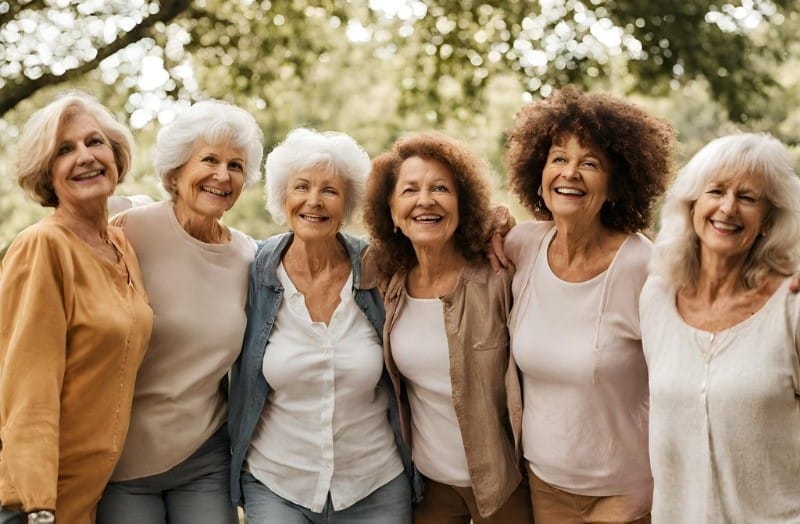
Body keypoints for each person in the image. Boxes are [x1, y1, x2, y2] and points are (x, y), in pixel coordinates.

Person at [502, 86, 674, 523]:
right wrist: (489, 217)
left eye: (590, 163)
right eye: (558, 158)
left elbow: (682, 381)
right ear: (538, 171)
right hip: (544, 486)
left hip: (626, 493)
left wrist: (647, 492)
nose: (570, 173)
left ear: (617, 184)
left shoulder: (643, 265)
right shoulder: (520, 246)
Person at [229, 128, 416, 523]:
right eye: (301, 187)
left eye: (330, 191)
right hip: (278, 483)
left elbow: (441, 242)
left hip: (374, 483)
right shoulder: (254, 269)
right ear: (283, 196)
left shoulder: (379, 267)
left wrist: (496, 225)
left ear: (347, 203)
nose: (314, 201)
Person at [97, 100, 264, 523]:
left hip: (204, 454)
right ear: (176, 170)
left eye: (236, 165)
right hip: (121, 456)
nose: (222, 175)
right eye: (209, 159)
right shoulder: (127, 228)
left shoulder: (251, 257)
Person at [362, 131, 532, 523]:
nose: (425, 200)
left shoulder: (497, 274)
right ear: (391, 212)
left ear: (463, 203)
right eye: (409, 190)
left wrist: (502, 218)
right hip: (430, 488)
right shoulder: (388, 280)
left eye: (441, 188)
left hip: (503, 483)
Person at [0, 92, 153, 523]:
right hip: (37, 501)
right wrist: (38, 507)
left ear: (116, 154)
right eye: (64, 150)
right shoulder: (43, 246)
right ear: (47, 173)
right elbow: (29, 388)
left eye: (94, 142)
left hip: (90, 497)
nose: (85, 157)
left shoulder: (120, 244)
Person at [641, 133, 800, 522]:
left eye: (748, 198)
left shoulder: (791, 307)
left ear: (767, 221)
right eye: (716, 191)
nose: (728, 208)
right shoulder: (656, 297)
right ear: (693, 203)